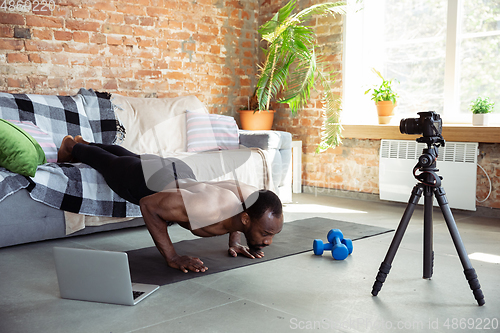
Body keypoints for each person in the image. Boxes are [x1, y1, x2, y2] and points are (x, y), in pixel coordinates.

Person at [58, 135, 284, 273]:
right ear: (246, 219)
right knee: (113, 164)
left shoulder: (248, 199)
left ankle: (86, 142)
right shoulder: (208, 208)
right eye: (266, 233)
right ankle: (73, 146)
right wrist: (173, 257)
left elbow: (240, 215)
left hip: (181, 172)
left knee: (133, 158)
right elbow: (148, 205)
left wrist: (235, 242)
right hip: (148, 183)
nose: (268, 240)